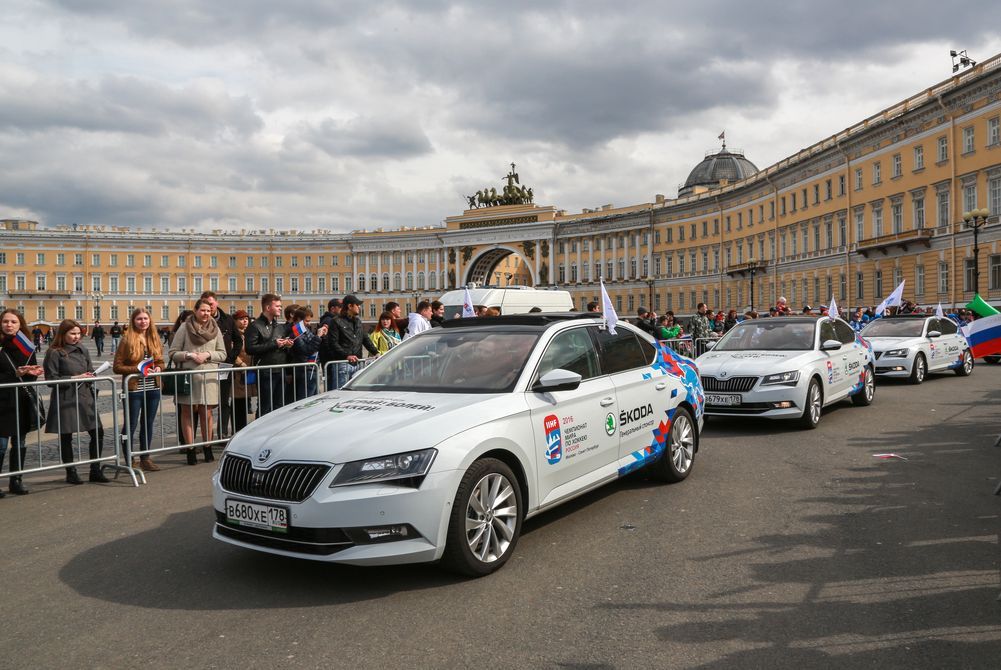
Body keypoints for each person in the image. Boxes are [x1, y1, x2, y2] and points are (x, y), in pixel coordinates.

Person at [43, 319, 108, 484]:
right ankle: (70, 472)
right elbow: (51, 379)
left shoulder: (82, 349)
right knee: (66, 436)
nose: (76, 337)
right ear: (63, 334)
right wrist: (74, 378)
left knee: (97, 432)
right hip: (66, 398)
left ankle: (95, 470)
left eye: (78, 333)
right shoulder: (54, 352)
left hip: (85, 397)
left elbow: (90, 369)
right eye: (72, 333)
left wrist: (93, 374)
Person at [168, 298, 227, 464]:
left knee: (206, 413)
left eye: (208, 311)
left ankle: (207, 447)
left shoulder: (216, 329)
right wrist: (189, 355)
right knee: (187, 412)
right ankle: (190, 449)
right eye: (202, 310)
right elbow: (173, 352)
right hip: (189, 376)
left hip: (208, 377)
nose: (206, 314)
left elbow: (222, 353)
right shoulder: (184, 327)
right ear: (195, 311)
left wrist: (208, 355)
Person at [113, 308, 164, 472]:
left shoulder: (154, 338)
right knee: (131, 424)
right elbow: (117, 366)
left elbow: (161, 362)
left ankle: (145, 458)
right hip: (134, 388)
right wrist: (137, 369)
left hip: (153, 387)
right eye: (139, 319)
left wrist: (159, 369)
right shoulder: (126, 340)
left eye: (145, 318)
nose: (143, 321)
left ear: (150, 321)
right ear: (133, 322)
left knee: (148, 423)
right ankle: (128, 457)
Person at [0, 309, 44, 496]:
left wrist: (32, 372)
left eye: (13, 322)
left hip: (21, 400)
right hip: (2, 402)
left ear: (20, 325)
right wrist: (15, 374)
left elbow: (28, 377)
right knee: (1, 444)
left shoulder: (26, 347)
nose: (9, 325)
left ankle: (16, 480)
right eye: (5, 321)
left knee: (20, 442)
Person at [245, 294, 294, 415]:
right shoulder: (255, 326)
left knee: (279, 406)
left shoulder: (278, 326)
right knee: (265, 406)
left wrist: (286, 344)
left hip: (280, 370)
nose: (280, 308)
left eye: (280, 306)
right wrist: (274, 344)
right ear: (268, 308)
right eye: (277, 306)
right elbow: (250, 348)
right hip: (265, 371)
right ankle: (259, 433)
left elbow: (279, 346)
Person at [199, 291, 238, 436]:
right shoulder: (197, 320)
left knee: (223, 401)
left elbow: (238, 340)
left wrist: (230, 358)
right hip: (204, 367)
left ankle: (222, 433)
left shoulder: (228, 319)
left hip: (224, 366)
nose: (209, 307)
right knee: (202, 404)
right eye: (205, 304)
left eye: (211, 303)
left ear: (216, 303)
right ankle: (203, 439)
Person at [326, 295, 377, 388]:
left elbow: (365, 339)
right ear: (350, 306)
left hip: (358, 364)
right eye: (357, 305)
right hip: (342, 364)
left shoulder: (358, 321)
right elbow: (333, 343)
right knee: (340, 395)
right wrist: (346, 355)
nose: (359, 307)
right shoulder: (336, 321)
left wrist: (376, 352)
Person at [290, 306, 328, 400]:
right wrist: (318, 337)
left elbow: (315, 346)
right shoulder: (295, 332)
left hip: (311, 368)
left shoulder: (305, 330)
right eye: (307, 321)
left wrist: (322, 336)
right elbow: (307, 350)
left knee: (313, 400)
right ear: (299, 319)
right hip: (304, 370)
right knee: (305, 401)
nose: (309, 323)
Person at [230, 310, 256, 433]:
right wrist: (241, 364)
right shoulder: (233, 334)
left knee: (245, 402)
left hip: (248, 371)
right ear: (234, 321)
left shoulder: (249, 334)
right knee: (237, 403)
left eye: (246, 318)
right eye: (241, 319)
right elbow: (231, 351)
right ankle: (237, 429)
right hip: (238, 372)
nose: (245, 321)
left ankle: (243, 429)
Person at [318, 298, 342, 391]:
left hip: (329, 358)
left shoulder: (332, 319)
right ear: (332, 309)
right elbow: (326, 340)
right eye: (340, 307)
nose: (342, 309)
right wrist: (333, 354)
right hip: (329, 358)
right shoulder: (328, 320)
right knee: (331, 384)